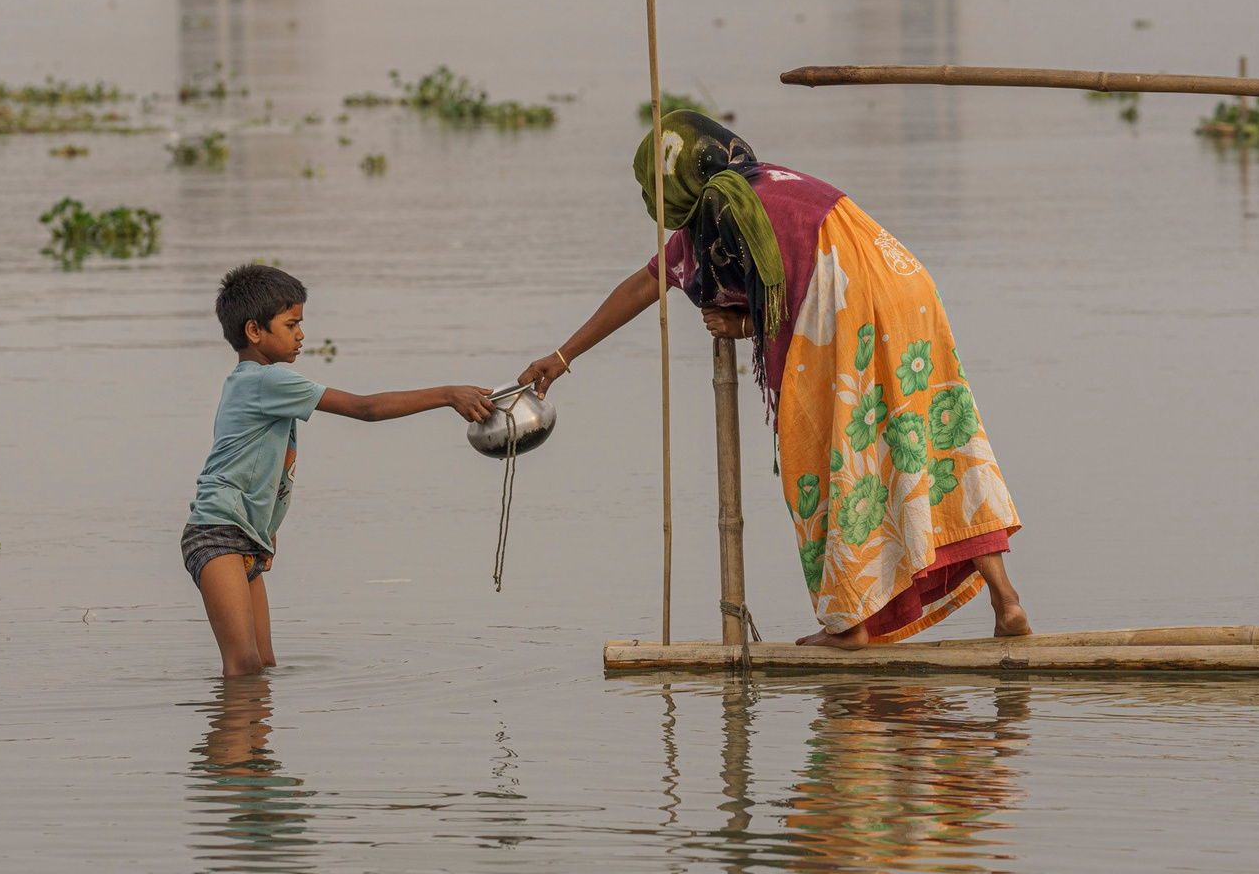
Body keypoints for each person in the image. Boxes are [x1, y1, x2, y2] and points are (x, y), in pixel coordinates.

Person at [517, 111, 1028, 647]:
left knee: (832, 460)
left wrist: (744, 323)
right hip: (906, 286)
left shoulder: (721, 215)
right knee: (933, 444)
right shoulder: (766, 183)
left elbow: (786, 286)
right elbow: (652, 282)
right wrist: (563, 354)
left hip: (847, 307)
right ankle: (1006, 601)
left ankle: (850, 625)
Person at [185, 264, 494, 677]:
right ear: (254, 331)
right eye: (291, 324)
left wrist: (264, 524)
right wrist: (446, 394)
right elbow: (365, 409)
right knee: (243, 664)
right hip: (218, 532)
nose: (301, 334)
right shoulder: (268, 381)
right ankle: (231, 739)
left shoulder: (250, 381)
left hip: (245, 535)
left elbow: (251, 464)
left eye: (301, 323)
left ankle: (248, 741)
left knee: (262, 667)